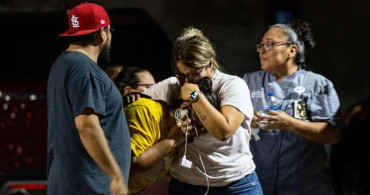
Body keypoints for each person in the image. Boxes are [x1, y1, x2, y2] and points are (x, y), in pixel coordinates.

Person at [143, 27, 262, 195]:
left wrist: (194, 95)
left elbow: (223, 131)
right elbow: (138, 109)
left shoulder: (232, 85)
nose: (186, 82)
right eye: (180, 75)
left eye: (193, 76)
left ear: (210, 64)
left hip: (235, 184)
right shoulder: (171, 85)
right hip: (186, 184)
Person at [243, 20, 341, 194]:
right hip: (259, 186)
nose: (262, 50)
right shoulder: (250, 81)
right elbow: (227, 123)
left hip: (304, 186)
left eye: (270, 44)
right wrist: (244, 119)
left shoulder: (317, 84)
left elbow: (333, 134)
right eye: (261, 45)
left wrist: (291, 124)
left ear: (292, 50)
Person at [47, 3, 131, 195]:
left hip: (72, 183)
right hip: (91, 185)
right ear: (102, 33)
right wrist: (115, 175)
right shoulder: (84, 69)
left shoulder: (62, 63)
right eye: (110, 30)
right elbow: (87, 125)